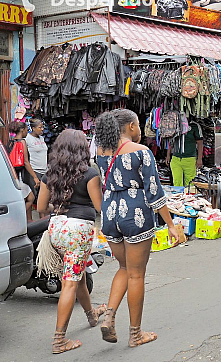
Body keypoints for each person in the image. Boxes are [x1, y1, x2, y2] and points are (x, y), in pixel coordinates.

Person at [95, 109, 179, 347]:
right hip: (136, 214)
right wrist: (171, 225)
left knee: (123, 267)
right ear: (131, 127)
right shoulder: (141, 152)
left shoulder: (101, 152)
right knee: (136, 274)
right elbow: (154, 193)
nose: (141, 129)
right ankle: (135, 334)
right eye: (139, 124)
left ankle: (109, 316)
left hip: (110, 214)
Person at [36, 129, 106, 354]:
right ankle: (59, 340)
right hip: (78, 231)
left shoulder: (50, 174)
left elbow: (40, 208)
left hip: (56, 230)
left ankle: (91, 315)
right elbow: (99, 207)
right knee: (70, 282)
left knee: (79, 276)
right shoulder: (90, 174)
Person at [7, 121, 37, 220]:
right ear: (22, 130)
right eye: (26, 130)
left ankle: (27, 219)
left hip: (13, 175)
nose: (27, 132)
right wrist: (35, 177)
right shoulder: (22, 142)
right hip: (20, 175)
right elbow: (26, 162)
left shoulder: (10, 142)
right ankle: (16, 216)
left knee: (24, 198)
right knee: (31, 197)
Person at [166, 120, 203, 187]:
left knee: (190, 183)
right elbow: (171, 141)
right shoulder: (175, 124)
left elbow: (200, 143)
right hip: (176, 158)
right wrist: (168, 155)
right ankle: (179, 196)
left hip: (190, 159)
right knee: (177, 183)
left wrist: (199, 159)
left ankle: (190, 197)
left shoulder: (194, 126)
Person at [26, 118, 48, 219]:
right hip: (34, 171)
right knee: (32, 197)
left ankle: (42, 221)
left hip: (44, 171)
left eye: (43, 127)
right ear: (33, 128)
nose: (42, 129)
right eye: (40, 127)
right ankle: (29, 220)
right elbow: (26, 159)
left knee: (43, 197)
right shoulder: (27, 139)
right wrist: (34, 177)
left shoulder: (41, 138)